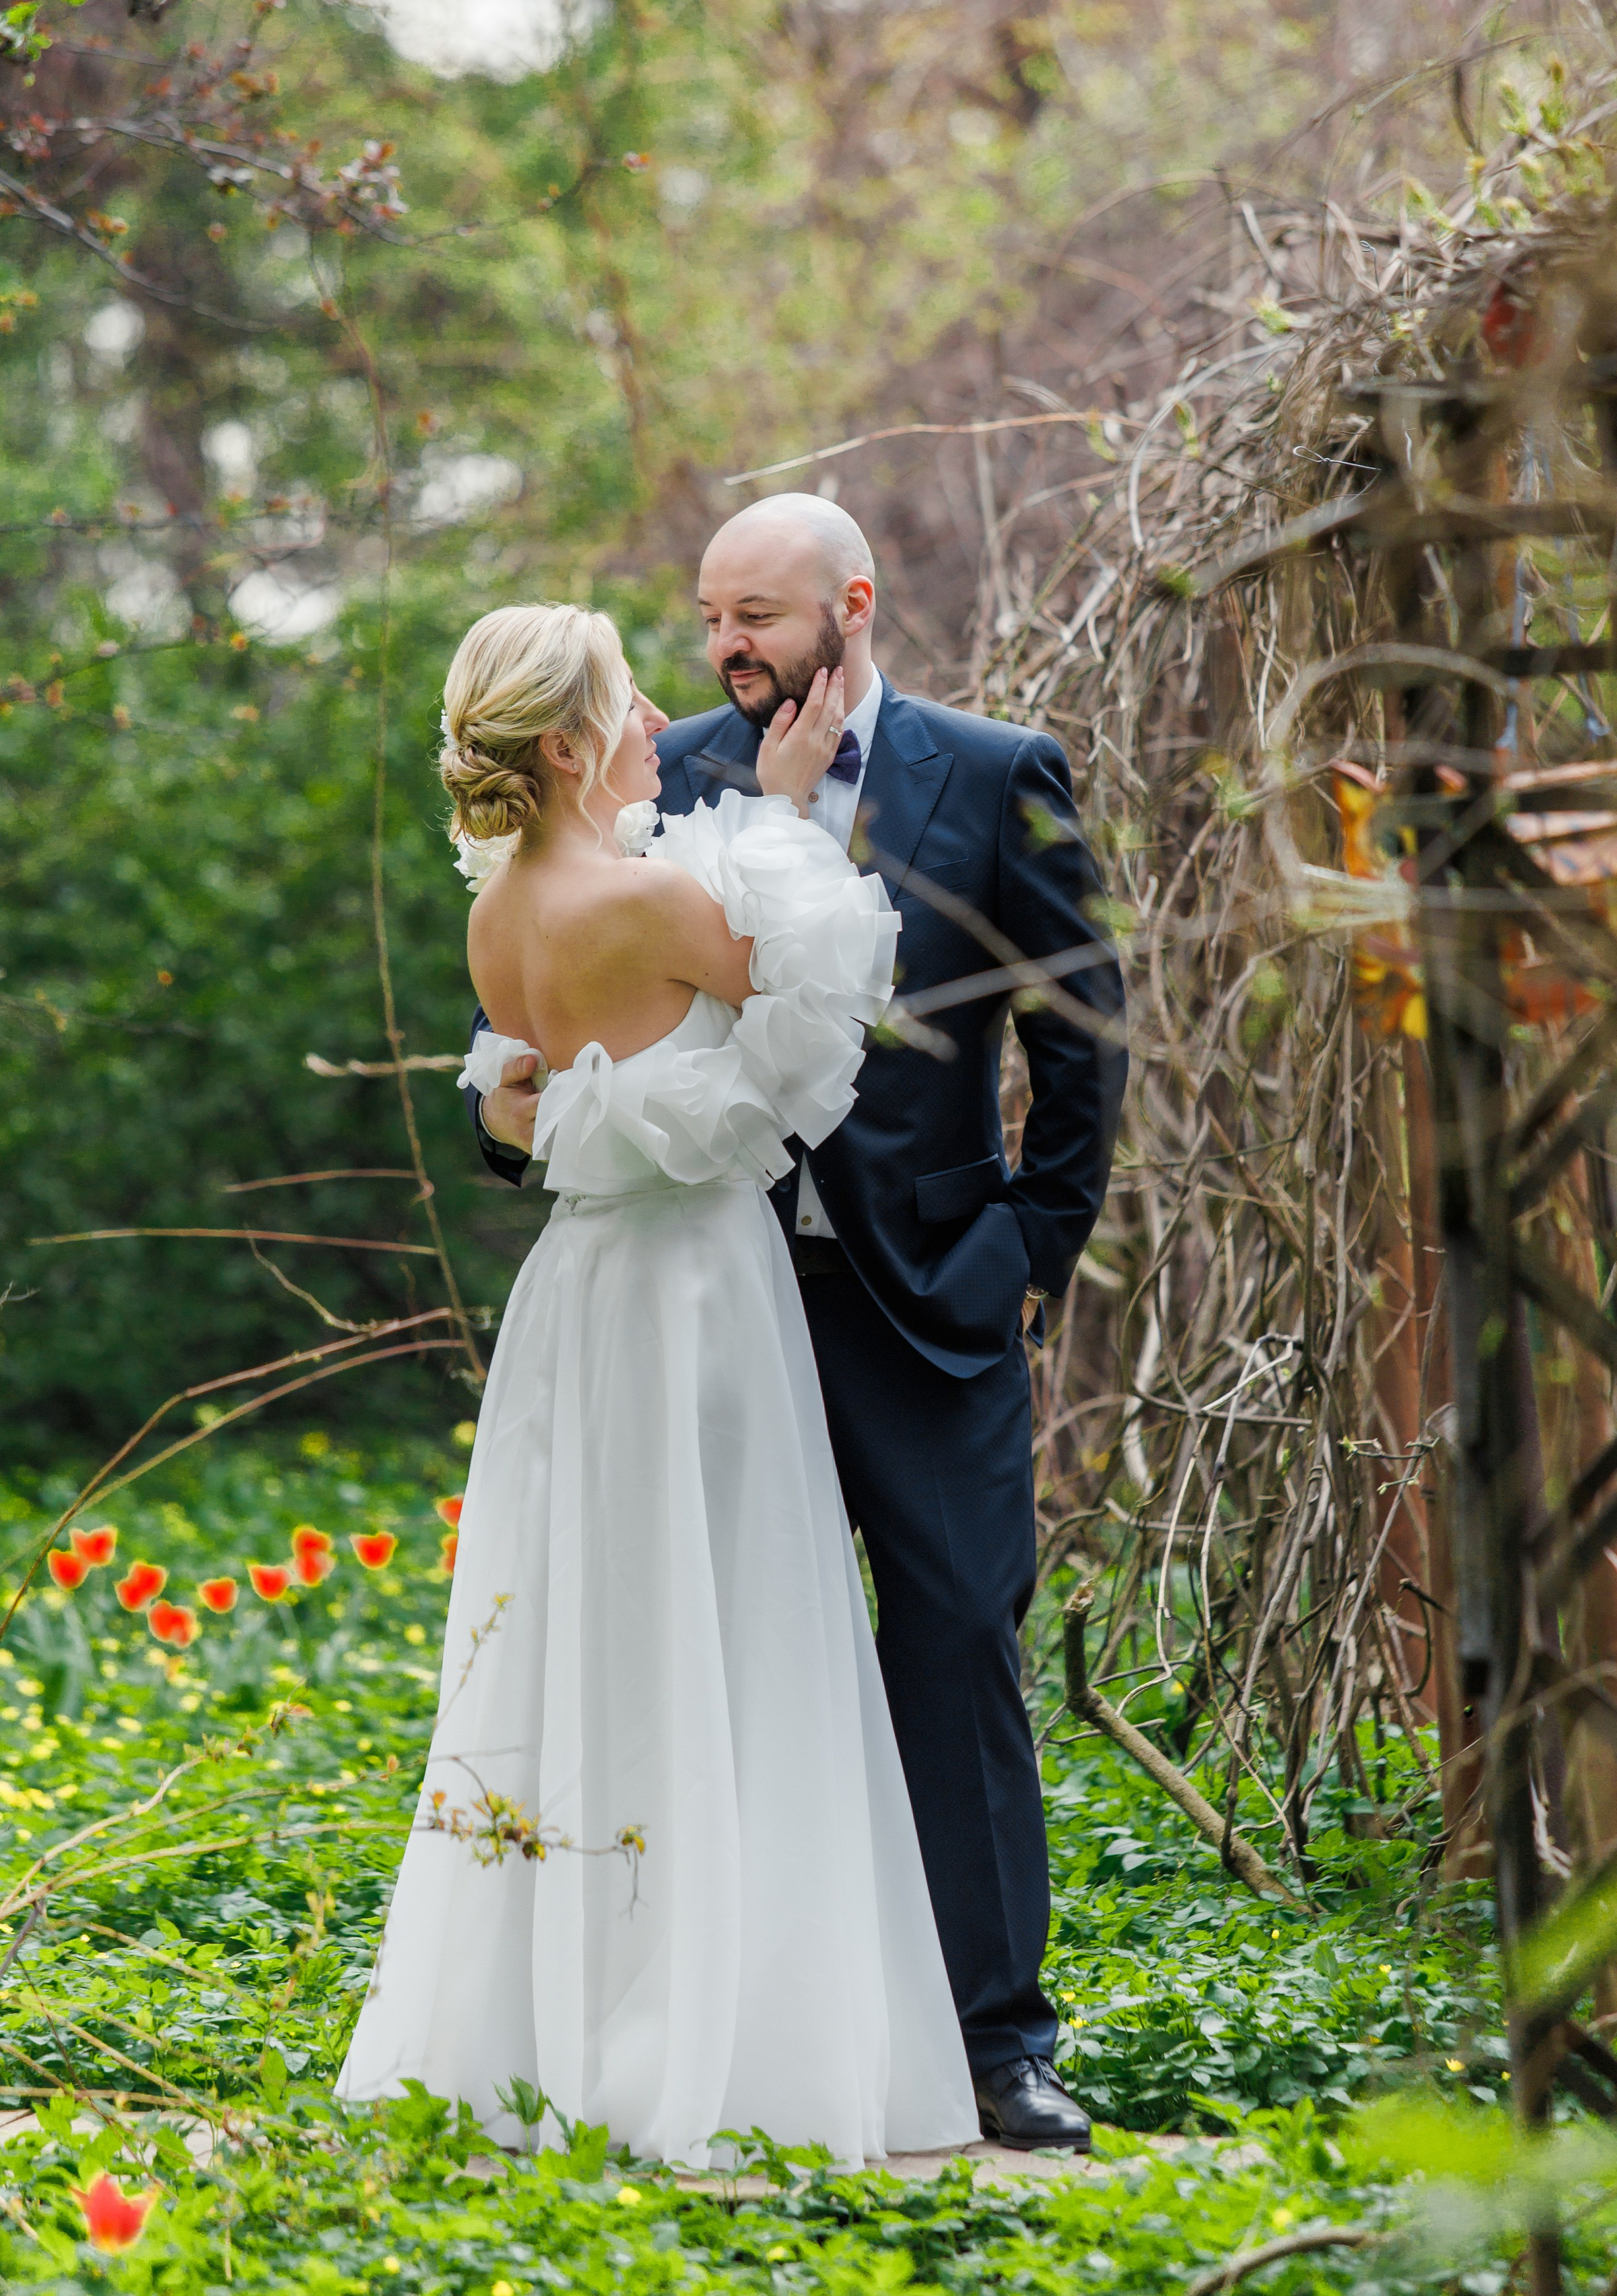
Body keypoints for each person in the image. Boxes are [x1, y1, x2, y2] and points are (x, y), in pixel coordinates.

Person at [476, 498, 1127, 2152]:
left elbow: (1082, 1031)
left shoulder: (997, 773)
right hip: (715, 1297)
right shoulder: (656, 772)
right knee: (720, 1659)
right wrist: (529, 1127)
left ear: (849, 600)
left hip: (929, 1302)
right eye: (706, 618)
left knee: (957, 1641)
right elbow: (551, 1019)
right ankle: (746, 2022)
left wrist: (1022, 1250)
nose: (724, 649)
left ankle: (993, 2042)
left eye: (756, 616)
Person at [338, 601, 979, 2168]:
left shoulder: (501, 919)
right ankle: (727, 2045)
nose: (652, 731)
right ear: (562, 747)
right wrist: (780, 805)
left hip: (582, 1292)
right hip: (696, 1291)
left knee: (592, 1635)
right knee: (734, 1620)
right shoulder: (641, 902)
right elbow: (816, 1017)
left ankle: (558, 2019)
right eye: (626, 709)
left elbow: (539, 1096)